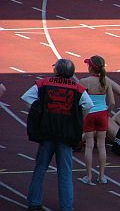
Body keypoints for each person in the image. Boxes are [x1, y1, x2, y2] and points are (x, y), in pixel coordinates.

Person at [21, 59, 94, 211]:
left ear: (56, 70)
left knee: (40, 167)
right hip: (66, 136)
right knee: (65, 172)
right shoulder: (78, 88)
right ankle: (66, 207)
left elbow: (27, 97)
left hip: (47, 133)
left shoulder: (43, 83)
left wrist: (40, 112)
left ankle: (34, 202)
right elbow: (88, 105)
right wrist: (78, 121)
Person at [79, 56, 115, 185]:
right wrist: (106, 113)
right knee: (101, 145)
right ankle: (102, 176)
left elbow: (80, 100)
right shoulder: (106, 81)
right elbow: (112, 102)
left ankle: (88, 176)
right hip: (102, 114)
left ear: (90, 67)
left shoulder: (84, 81)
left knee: (89, 146)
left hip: (90, 114)